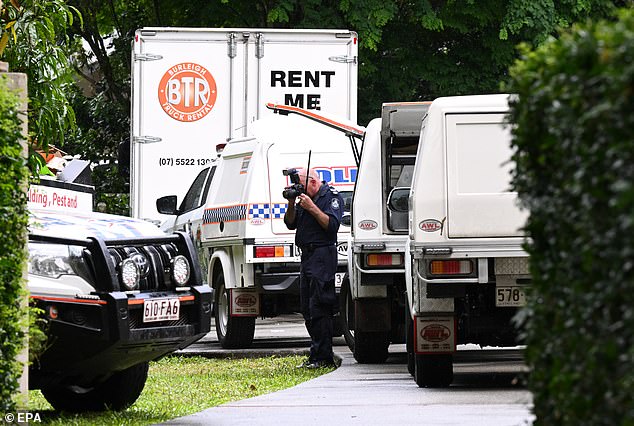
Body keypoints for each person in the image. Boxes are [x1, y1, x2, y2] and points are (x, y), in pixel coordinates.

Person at [284, 168, 343, 368]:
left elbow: (332, 225)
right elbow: (290, 223)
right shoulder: (303, 198)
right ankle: (315, 354)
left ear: (313, 182)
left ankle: (324, 357)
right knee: (306, 308)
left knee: (320, 306)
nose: (298, 189)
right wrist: (292, 203)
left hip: (322, 255)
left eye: (300, 185)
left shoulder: (331, 196)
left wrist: (312, 208)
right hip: (307, 257)